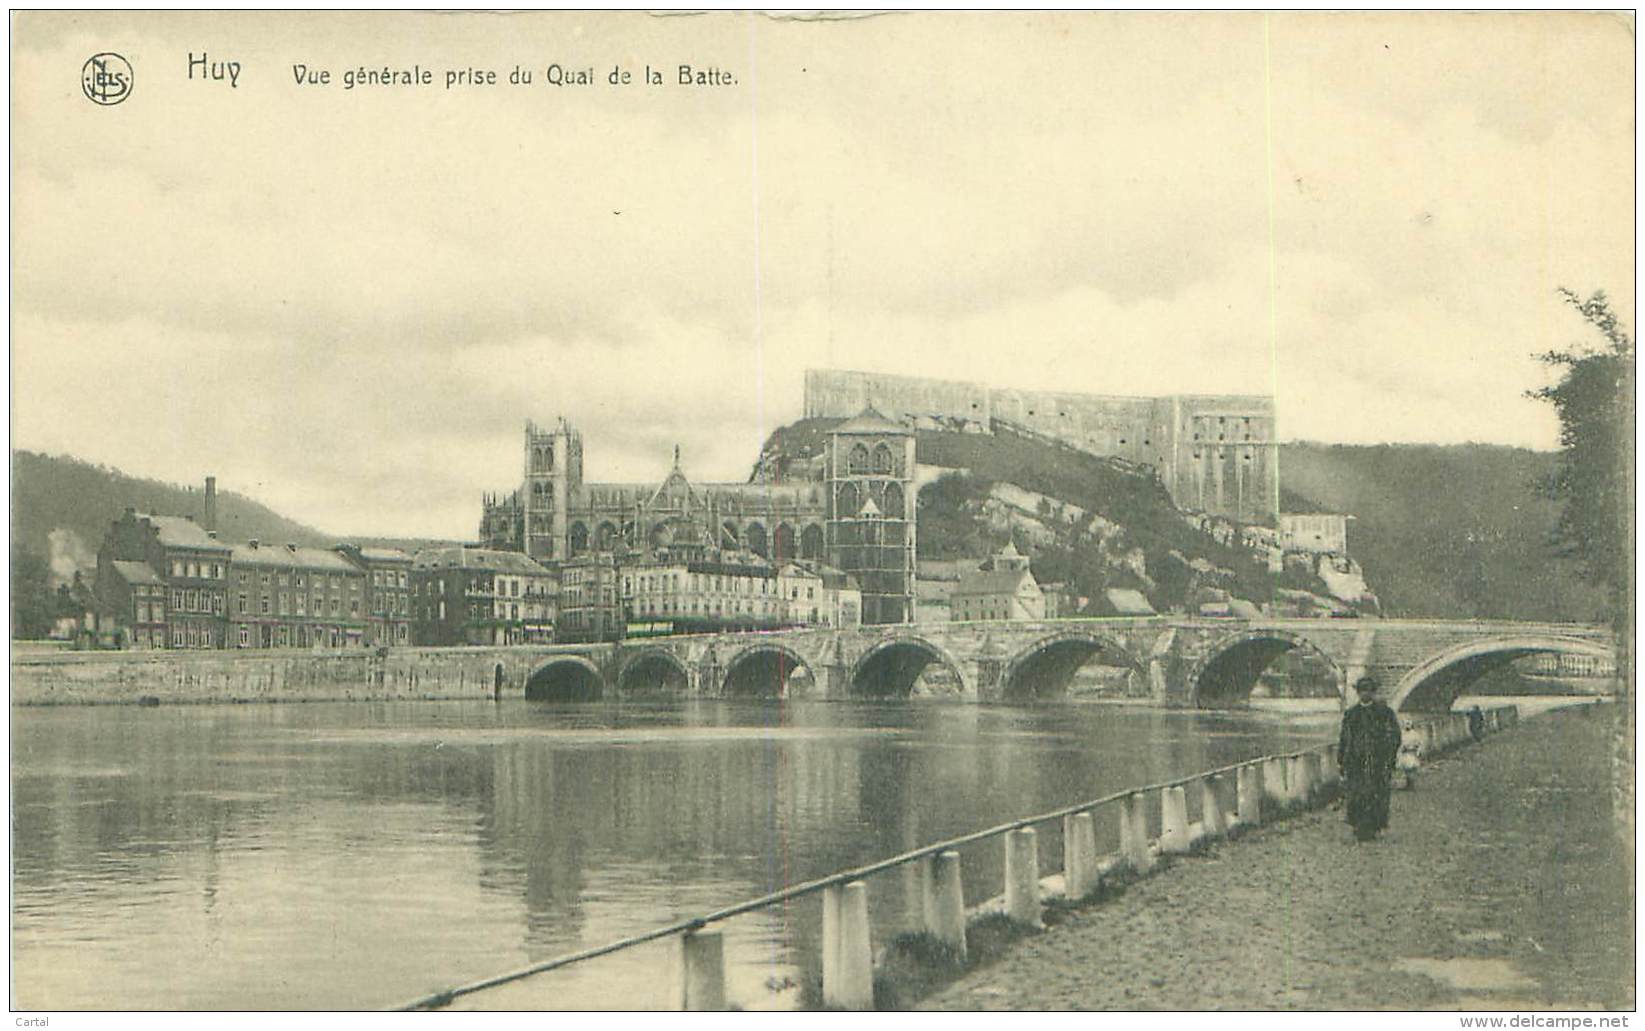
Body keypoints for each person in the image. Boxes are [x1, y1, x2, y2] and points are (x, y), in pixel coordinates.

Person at [1337, 676, 1403, 841]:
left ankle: (1375, 826)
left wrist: (1389, 755)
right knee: (1356, 794)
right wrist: (1341, 760)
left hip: (1378, 761)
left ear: (1374, 692)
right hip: (1355, 761)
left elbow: (1395, 735)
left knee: (1377, 793)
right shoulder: (1351, 714)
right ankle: (1358, 826)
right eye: (1362, 691)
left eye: (1369, 691)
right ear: (1358, 693)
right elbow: (1344, 738)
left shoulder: (1384, 712)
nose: (1366, 694)